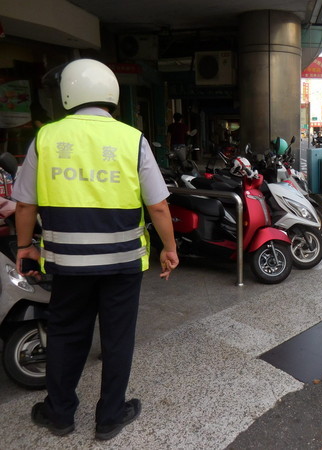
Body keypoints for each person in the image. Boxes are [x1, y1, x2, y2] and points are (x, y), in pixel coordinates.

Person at [13, 59, 179, 441]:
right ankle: (109, 417)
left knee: (67, 333)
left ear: (68, 93)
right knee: (118, 338)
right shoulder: (131, 138)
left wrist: (25, 247)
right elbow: (157, 206)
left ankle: (59, 414)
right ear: (111, 95)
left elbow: (25, 205)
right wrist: (169, 248)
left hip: (67, 263)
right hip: (123, 263)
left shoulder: (45, 138)